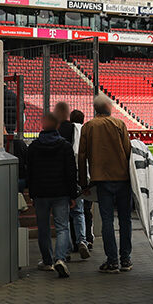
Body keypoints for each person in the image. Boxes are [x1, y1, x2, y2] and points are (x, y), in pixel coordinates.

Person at [79, 95, 133, 273]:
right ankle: (126, 259)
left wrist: (83, 183)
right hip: (123, 178)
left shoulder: (89, 127)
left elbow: (82, 156)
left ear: (96, 109)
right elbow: (128, 152)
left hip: (101, 180)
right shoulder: (119, 124)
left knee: (107, 220)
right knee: (125, 220)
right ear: (108, 108)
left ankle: (112, 261)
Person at [26, 111, 81, 276]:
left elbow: (31, 173)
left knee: (43, 228)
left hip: (41, 193)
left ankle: (48, 261)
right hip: (61, 193)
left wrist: (33, 194)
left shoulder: (34, 147)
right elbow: (71, 173)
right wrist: (73, 195)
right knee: (62, 227)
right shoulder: (64, 146)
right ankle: (60, 259)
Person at [62, 108, 92, 259]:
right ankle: (82, 240)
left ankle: (66, 249)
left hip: (64, 178)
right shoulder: (84, 131)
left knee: (64, 216)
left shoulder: (65, 133)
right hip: (81, 178)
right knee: (79, 212)